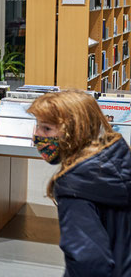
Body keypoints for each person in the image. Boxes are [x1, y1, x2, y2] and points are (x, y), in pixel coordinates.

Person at [27, 90, 131, 276]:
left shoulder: (75, 185)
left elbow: (87, 261)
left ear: (74, 132)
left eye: (47, 129)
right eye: (37, 126)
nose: (36, 136)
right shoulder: (120, 159)